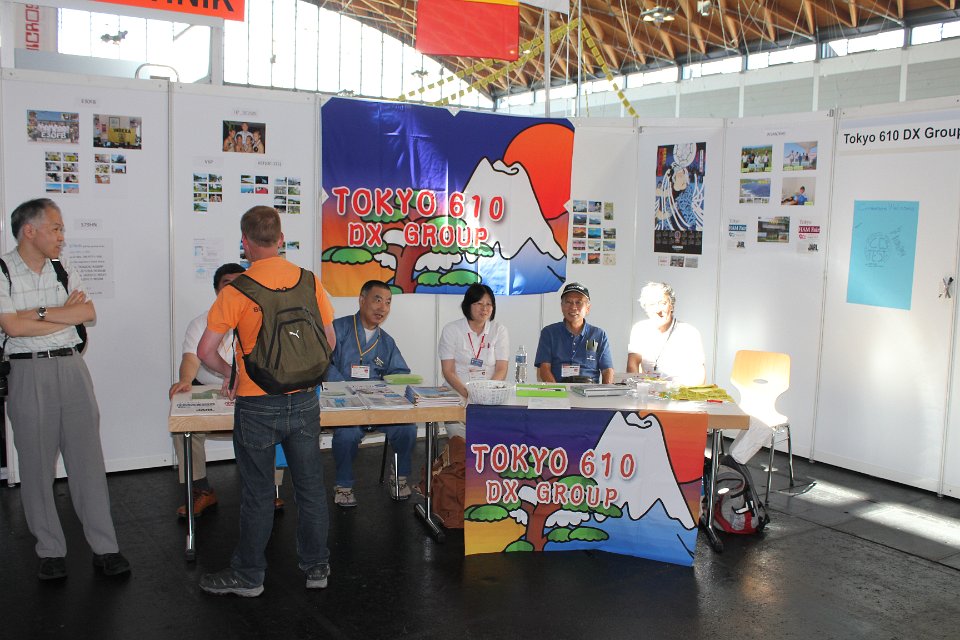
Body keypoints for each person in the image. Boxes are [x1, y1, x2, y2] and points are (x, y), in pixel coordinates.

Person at [195, 205, 336, 597]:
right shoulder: (308, 280)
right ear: (280, 239)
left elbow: (205, 351)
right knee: (310, 488)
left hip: (256, 403)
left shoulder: (236, 291)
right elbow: (330, 341)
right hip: (305, 400)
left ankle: (249, 576)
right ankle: (316, 566)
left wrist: (232, 374)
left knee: (258, 493)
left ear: (245, 242)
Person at [0, 198, 130, 580]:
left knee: (88, 462)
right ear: (30, 231)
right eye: (55, 228)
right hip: (28, 372)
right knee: (36, 467)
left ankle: (105, 548)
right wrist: (60, 315)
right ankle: (50, 551)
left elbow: (86, 314)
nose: (61, 236)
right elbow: (12, 327)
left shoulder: (63, 267)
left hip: (72, 368)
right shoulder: (3, 271)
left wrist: (38, 313)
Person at [168, 263, 286, 517]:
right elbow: (191, 359)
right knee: (183, 428)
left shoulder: (262, 319)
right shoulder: (201, 322)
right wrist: (185, 379)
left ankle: (268, 489)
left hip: (250, 391)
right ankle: (200, 490)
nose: (235, 288)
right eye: (227, 284)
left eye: (240, 283)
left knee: (272, 419)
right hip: (208, 390)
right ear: (216, 290)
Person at [325, 280, 415, 508]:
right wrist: (345, 387)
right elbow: (323, 363)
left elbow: (400, 372)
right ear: (362, 299)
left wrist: (385, 388)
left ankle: (399, 476)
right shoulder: (338, 328)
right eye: (377, 300)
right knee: (347, 434)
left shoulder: (387, 341)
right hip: (345, 405)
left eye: (388, 302)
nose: (382, 308)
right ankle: (344, 485)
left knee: (407, 428)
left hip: (377, 407)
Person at [439, 283, 509, 438]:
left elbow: (501, 368)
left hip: (489, 394)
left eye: (489, 304)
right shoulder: (452, 329)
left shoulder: (499, 330)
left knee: (495, 434)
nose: (484, 309)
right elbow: (448, 371)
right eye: (479, 303)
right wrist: (469, 394)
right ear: (468, 305)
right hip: (458, 392)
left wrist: (486, 394)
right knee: (460, 436)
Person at [626, 282, 705, 386]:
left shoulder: (689, 332)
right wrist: (637, 388)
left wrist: (688, 393)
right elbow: (632, 364)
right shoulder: (639, 329)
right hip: (649, 391)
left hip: (680, 391)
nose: (658, 310)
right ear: (646, 309)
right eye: (651, 304)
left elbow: (699, 373)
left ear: (671, 306)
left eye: (662, 303)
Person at [535, 282, 614, 384]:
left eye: (578, 302)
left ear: (588, 308)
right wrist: (557, 390)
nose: (573, 307)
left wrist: (605, 392)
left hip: (589, 389)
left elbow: (607, 370)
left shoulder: (598, 335)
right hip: (560, 387)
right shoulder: (549, 333)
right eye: (568, 302)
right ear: (562, 306)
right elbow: (544, 369)